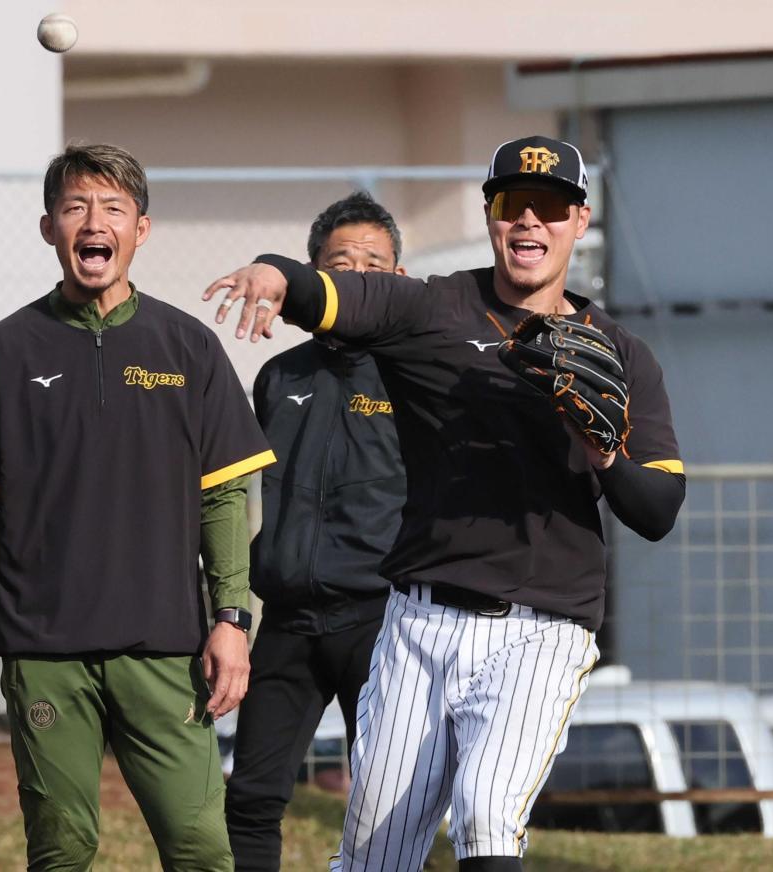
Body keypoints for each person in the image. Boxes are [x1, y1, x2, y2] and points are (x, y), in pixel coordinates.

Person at [203, 135, 686, 872]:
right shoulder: (432, 308)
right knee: (376, 855)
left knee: (488, 817)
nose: (530, 222)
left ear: (579, 220)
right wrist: (279, 274)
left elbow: (658, 509)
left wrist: (606, 456)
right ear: (491, 216)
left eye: (550, 207)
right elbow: (341, 294)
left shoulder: (620, 353)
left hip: (543, 629)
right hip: (419, 621)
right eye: (511, 205)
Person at [0, 143, 274, 871]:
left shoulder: (189, 347)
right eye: (76, 206)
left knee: (201, 849)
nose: (95, 221)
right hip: (44, 650)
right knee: (62, 851)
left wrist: (231, 619)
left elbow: (224, 501)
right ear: (50, 227)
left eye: (113, 207)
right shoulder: (2, 352)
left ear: (139, 230)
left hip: (166, 649)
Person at [224, 191, 408, 871]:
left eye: (375, 263)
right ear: (313, 274)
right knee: (250, 798)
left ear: (398, 279)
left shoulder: (416, 374)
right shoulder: (278, 377)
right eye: (341, 261)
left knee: (391, 805)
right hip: (290, 621)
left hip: (381, 622)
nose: (358, 273)